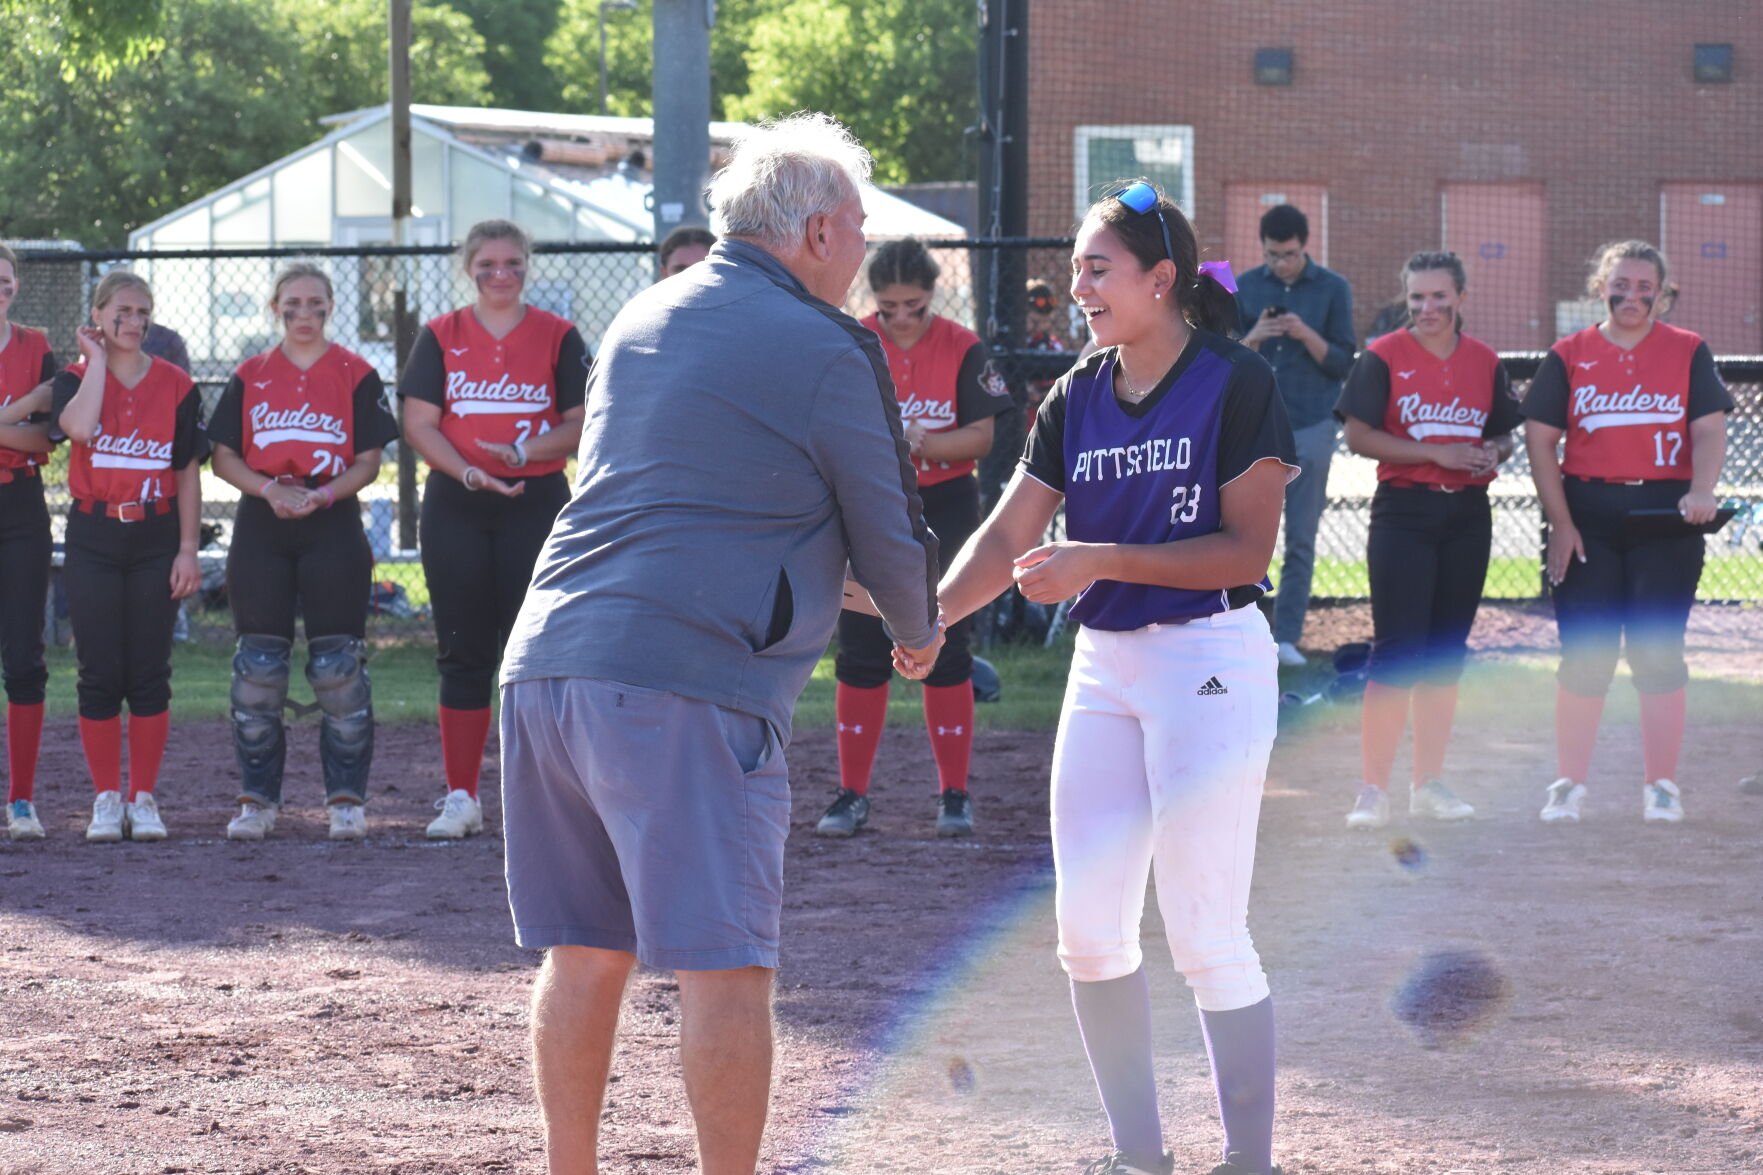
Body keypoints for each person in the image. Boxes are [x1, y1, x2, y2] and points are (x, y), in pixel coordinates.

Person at [496, 112, 943, 1175]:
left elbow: (686, 500)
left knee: (585, 949)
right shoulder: (831, 344)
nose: (865, 248)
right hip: (682, 682)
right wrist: (919, 628)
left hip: (551, 661)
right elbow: (887, 522)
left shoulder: (642, 314)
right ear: (822, 232)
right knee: (727, 965)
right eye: (860, 225)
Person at [936, 179, 1296, 1175]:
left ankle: (1246, 1159)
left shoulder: (1234, 379)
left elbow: (1242, 552)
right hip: (1106, 666)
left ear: (1161, 278)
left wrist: (1096, 557)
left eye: (1097, 267)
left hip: (1208, 657)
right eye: (1077, 269)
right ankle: (1139, 1156)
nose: (1078, 284)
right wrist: (927, 619)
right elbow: (1010, 528)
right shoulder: (1077, 391)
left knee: (1204, 929)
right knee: (1090, 931)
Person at [1521, 240, 1731, 824]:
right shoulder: (1570, 353)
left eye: (1646, 287)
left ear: (1663, 294)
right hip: (1588, 516)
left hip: (1667, 516)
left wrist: (1703, 489)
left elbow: (1708, 430)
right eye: (1621, 283)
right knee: (1585, 655)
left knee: (1657, 654)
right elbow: (1541, 441)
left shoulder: (1688, 350)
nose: (1631, 296)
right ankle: (1569, 783)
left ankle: (1661, 784)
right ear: (1600, 287)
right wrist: (1561, 524)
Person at [398, 219, 588, 840]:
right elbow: (420, 423)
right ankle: (461, 796)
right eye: (487, 263)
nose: (500, 273)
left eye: (512, 262)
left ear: (528, 264)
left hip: (536, 502)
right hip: (458, 502)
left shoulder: (558, 336)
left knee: (535, 652)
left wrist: (527, 449)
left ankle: (540, 800)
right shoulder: (441, 335)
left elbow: (582, 422)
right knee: (463, 650)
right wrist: (470, 473)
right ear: (468, 268)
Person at [817, 237, 1011, 839]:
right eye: (890, 304)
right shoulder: (852, 337)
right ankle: (851, 794)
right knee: (861, 646)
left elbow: (981, 437)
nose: (901, 316)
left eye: (915, 305)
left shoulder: (961, 345)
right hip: (868, 504)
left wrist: (922, 442)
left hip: (946, 501)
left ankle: (954, 794)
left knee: (945, 639)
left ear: (934, 296)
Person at [206, 263, 400, 842]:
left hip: (330, 517)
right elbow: (223, 456)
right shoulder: (251, 374)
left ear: (330, 307)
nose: (304, 312)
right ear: (275, 309)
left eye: (315, 302)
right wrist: (270, 490)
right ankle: (258, 801)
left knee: (338, 668)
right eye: (292, 303)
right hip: (264, 520)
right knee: (259, 670)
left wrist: (320, 493)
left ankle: (345, 800)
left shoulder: (356, 373)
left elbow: (369, 460)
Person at [1334, 251, 1521, 829]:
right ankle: (1372, 789)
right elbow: (1360, 436)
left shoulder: (1485, 360)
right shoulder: (1384, 356)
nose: (1428, 308)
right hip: (1405, 514)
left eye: (1440, 297)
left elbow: (1504, 439)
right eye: (1417, 298)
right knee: (1398, 649)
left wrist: (1495, 452)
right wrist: (1436, 452)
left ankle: (1429, 784)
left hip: (1468, 513)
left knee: (1445, 652)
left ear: (1462, 299)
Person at [52, 270, 204, 842]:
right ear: (99, 313)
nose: (134, 321)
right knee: (98, 672)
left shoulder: (176, 384)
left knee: (148, 670)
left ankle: (143, 798)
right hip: (93, 534)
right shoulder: (74, 378)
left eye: (143, 311)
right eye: (122, 311)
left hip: (155, 536)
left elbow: (185, 471)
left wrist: (188, 548)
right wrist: (94, 359)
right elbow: (80, 427)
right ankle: (104, 798)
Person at [1235, 203, 1356, 667]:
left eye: (1287, 255)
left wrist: (1305, 333)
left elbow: (1343, 361)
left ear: (1305, 247)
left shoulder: (1332, 288)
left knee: (1301, 537)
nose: (1280, 263)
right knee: (1242, 536)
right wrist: (1257, 335)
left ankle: (1287, 637)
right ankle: (1244, 632)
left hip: (1310, 423)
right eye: (1272, 255)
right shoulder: (1244, 286)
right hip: (1253, 428)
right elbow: (1223, 357)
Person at [0, 245, 58, 840]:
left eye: (6, 280)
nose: (0, 288)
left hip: (19, 506)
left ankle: (20, 801)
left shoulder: (36, 347)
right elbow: (27, 424)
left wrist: (28, 425)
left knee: (23, 659)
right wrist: (17, 414)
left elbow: (45, 442)